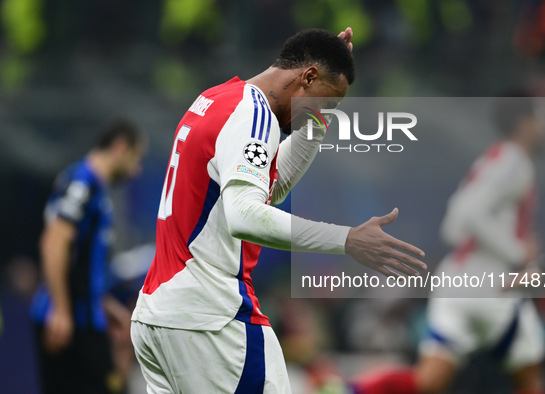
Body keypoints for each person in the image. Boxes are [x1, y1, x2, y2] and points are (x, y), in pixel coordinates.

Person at [130, 27, 426, 393]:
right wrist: (347, 240)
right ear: (308, 76)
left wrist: (319, 116)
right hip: (211, 319)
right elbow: (245, 215)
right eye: (325, 102)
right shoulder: (255, 116)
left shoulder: (217, 98)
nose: (321, 114)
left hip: (159, 317)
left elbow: (271, 188)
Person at [355, 94, 545, 394]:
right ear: (524, 123)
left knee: (429, 381)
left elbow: (454, 226)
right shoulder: (515, 162)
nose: (544, 126)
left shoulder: (493, 158)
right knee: (530, 379)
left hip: (457, 282)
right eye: (540, 118)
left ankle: (352, 389)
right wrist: (518, 251)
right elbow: (466, 213)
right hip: (491, 285)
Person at [30, 119, 146, 394]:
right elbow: (54, 242)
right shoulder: (83, 183)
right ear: (120, 147)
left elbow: (79, 264)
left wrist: (105, 305)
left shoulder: (95, 187)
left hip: (86, 317)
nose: (136, 169)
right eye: (135, 158)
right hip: (70, 322)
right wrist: (61, 309)